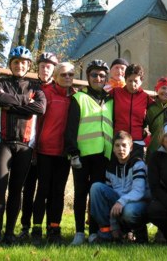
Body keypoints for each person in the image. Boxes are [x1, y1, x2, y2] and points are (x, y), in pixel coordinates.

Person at [0, 46, 46, 245]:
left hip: (25, 145)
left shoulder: (36, 88)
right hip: (1, 143)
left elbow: (39, 107)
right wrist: (25, 103)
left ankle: (10, 233)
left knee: (15, 190)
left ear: (28, 65)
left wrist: (12, 103)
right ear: (10, 64)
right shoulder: (1, 82)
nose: (19, 65)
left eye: (23, 62)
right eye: (15, 62)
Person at [65, 59, 113, 245]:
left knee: (96, 195)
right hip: (82, 155)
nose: (98, 78)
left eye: (102, 75)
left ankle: (93, 231)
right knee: (80, 193)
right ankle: (79, 232)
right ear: (87, 77)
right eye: (94, 75)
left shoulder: (110, 100)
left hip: (103, 156)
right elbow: (70, 128)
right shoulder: (78, 98)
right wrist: (72, 153)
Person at [31, 62, 76, 245]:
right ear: (55, 76)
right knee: (42, 190)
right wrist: (34, 149)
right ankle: (36, 228)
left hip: (63, 153)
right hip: (44, 151)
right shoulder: (46, 94)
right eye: (63, 74)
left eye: (71, 75)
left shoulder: (76, 97)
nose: (67, 78)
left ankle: (54, 227)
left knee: (58, 192)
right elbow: (36, 123)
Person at [19, 51, 58, 240]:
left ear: (54, 69)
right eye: (42, 66)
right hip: (29, 144)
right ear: (38, 68)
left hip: (46, 148)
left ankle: (44, 227)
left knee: (45, 189)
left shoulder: (57, 89)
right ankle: (25, 226)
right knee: (28, 188)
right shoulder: (30, 86)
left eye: (49, 66)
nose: (45, 69)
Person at [90, 131, 150, 243]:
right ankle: (106, 233)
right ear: (113, 148)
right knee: (96, 187)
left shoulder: (138, 164)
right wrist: (113, 225)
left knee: (129, 211)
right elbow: (109, 200)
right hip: (118, 203)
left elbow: (139, 191)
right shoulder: (110, 167)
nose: (120, 149)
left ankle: (138, 232)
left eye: (124, 145)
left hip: (138, 203)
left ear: (131, 148)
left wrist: (121, 202)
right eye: (117, 145)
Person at [110, 64, 153, 157]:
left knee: (136, 170)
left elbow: (157, 112)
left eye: (136, 81)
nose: (133, 84)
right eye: (130, 81)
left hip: (137, 141)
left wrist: (147, 140)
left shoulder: (145, 97)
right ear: (125, 80)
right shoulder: (115, 93)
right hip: (119, 140)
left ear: (141, 81)